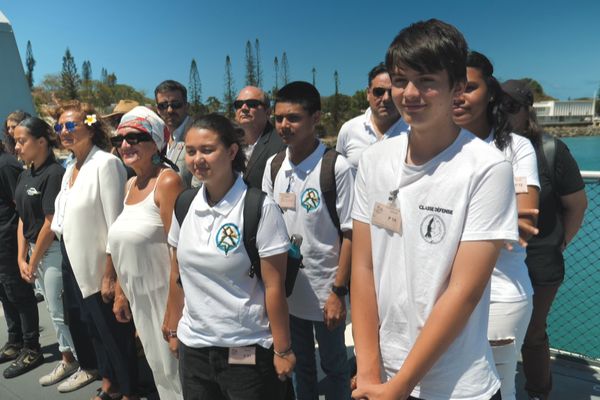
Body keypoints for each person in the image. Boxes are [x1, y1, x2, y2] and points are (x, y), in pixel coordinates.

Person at [351, 19, 517, 400]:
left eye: (426, 80)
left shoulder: (486, 168)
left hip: (457, 385)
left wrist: (402, 385)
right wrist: (370, 370)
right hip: (383, 374)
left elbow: (464, 292)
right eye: (399, 79)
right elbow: (364, 267)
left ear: (456, 87)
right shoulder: (374, 161)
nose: (410, 93)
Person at [163, 114, 295, 399]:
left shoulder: (260, 207)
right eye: (191, 150)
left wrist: (283, 349)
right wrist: (174, 329)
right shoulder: (185, 205)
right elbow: (177, 274)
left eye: (208, 150)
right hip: (194, 348)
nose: (198, 159)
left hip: (244, 348)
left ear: (232, 151)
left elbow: (274, 287)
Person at [453, 52, 539, 400]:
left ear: (490, 93)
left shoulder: (514, 149)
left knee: (498, 385)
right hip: (439, 294)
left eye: (469, 87)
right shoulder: (435, 148)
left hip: (498, 295)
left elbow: (524, 221)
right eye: (452, 87)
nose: (458, 96)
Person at [262, 81, 354, 400]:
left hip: (325, 289)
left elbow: (350, 234)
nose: (284, 126)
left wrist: (338, 292)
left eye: (294, 118)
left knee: (334, 365)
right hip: (288, 292)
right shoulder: (274, 166)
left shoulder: (335, 167)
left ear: (315, 118)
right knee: (300, 365)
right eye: (279, 118)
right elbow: (267, 228)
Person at [502, 79, 588, 400]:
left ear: (528, 111)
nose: (502, 112)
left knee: (532, 333)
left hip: (540, 263)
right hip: (496, 262)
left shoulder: (551, 151)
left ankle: (538, 392)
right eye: (496, 106)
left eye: (511, 106)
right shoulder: (486, 149)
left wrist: (559, 243)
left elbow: (576, 205)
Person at [51, 101, 139, 399]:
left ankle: (130, 390)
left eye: (71, 124)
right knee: (92, 329)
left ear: (90, 126)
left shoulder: (106, 164)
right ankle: (109, 383)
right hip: (73, 263)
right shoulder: (70, 168)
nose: (64, 130)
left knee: (114, 334)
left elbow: (115, 221)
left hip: (99, 265)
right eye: (59, 126)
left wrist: (110, 275)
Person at [107, 106, 184, 399]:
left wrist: (173, 311)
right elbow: (121, 247)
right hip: (139, 299)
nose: (125, 144)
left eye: (136, 137)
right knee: (159, 371)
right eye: (120, 139)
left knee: (177, 374)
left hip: (165, 296)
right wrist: (121, 292)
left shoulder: (167, 182)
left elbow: (178, 250)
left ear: (155, 142)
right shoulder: (129, 185)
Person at [13, 117, 79, 385]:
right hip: (32, 253)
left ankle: (77, 361)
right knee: (54, 312)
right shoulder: (25, 173)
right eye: (15, 141)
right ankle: (70, 359)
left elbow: (51, 223)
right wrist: (21, 256)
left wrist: (33, 257)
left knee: (59, 312)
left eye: (21, 141)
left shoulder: (54, 174)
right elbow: (22, 217)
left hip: (50, 252)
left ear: (41, 142)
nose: (16, 146)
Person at [0, 129, 43, 379]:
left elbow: (21, 206)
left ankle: (31, 346)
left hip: (8, 241)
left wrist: (22, 248)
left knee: (18, 293)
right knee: (5, 293)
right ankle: (15, 340)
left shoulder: (6, 165)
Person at [336, 63, 407, 175]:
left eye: (391, 92)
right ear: (368, 93)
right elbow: (339, 172)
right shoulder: (349, 130)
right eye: (379, 92)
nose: (386, 98)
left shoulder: (413, 130)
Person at [234, 86, 285, 189]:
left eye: (252, 104)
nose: (244, 108)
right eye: (239, 105)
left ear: (268, 112)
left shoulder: (282, 145)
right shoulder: (228, 143)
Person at [155, 80, 196, 188]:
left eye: (176, 104)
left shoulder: (197, 136)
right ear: (158, 110)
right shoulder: (159, 139)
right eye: (163, 106)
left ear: (186, 106)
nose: (169, 110)